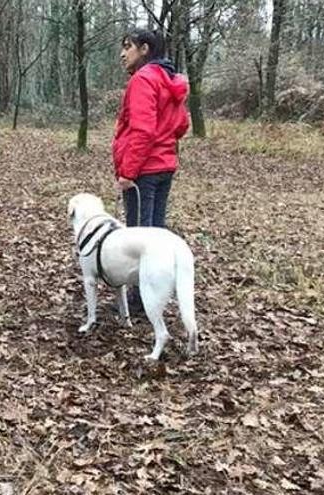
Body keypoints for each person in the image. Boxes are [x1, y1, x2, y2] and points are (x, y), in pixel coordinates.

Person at [112, 29, 190, 312]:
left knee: (140, 236)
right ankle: (154, 293)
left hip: (145, 169)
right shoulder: (170, 80)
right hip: (164, 166)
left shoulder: (143, 80)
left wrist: (128, 172)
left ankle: (141, 299)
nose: (123, 53)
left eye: (128, 47)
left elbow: (143, 131)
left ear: (144, 49)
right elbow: (181, 125)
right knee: (155, 232)